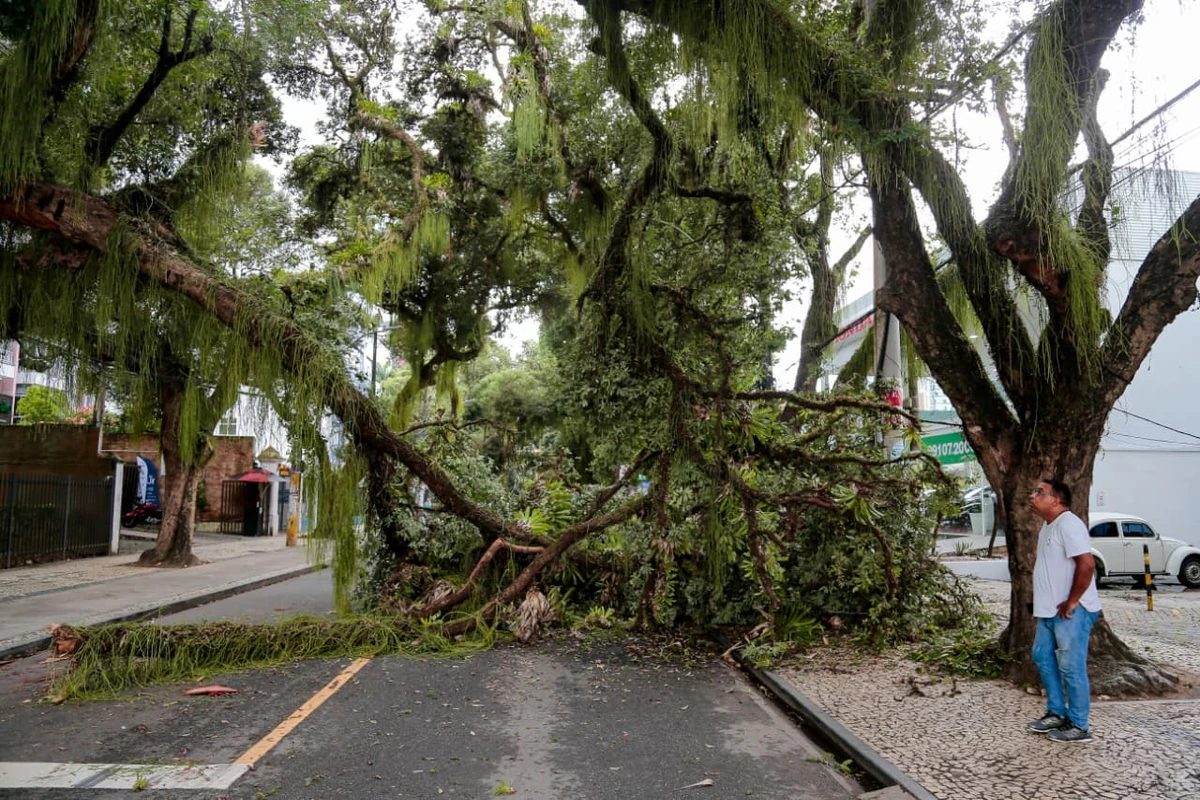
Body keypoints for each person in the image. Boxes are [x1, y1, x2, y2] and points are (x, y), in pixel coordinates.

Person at [1025, 478, 1102, 743]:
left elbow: (1087, 564)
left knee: (1071, 666)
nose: (1032, 496)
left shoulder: (1069, 524)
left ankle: (1079, 725)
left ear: (1056, 500)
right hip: (1048, 612)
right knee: (1042, 656)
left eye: (1040, 492)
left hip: (1071, 612)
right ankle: (1057, 713)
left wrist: (1072, 601)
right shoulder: (1048, 527)